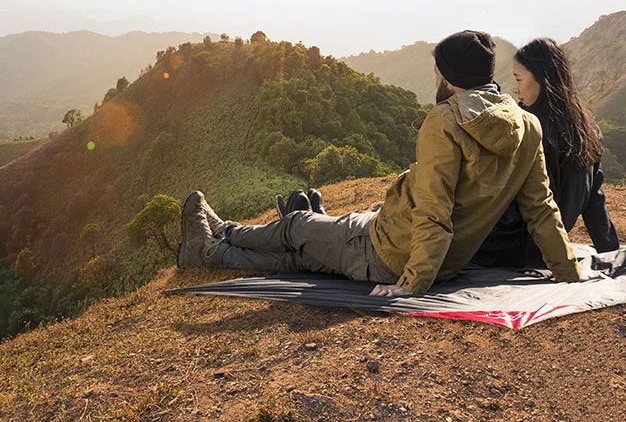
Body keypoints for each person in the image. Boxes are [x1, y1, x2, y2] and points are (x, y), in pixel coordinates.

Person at [177, 30, 583, 296]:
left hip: (387, 251)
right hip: (426, 252)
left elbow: (434, 210)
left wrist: (413, 283)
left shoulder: (445, 121)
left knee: (296, 227)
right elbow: (541, 210)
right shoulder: (527, 125)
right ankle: (210, 249)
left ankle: (223, 233)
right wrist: (569, 273)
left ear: (448, 76)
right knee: (302, 255)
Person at [473, 38, 619, 269]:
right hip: (547, 249)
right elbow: (594, 200)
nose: (515, 88)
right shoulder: (588, 131)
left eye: (519, 79)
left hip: (514, 249)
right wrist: (611, 253)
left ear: (542, 78)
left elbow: (528, 205)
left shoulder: (529, 128)